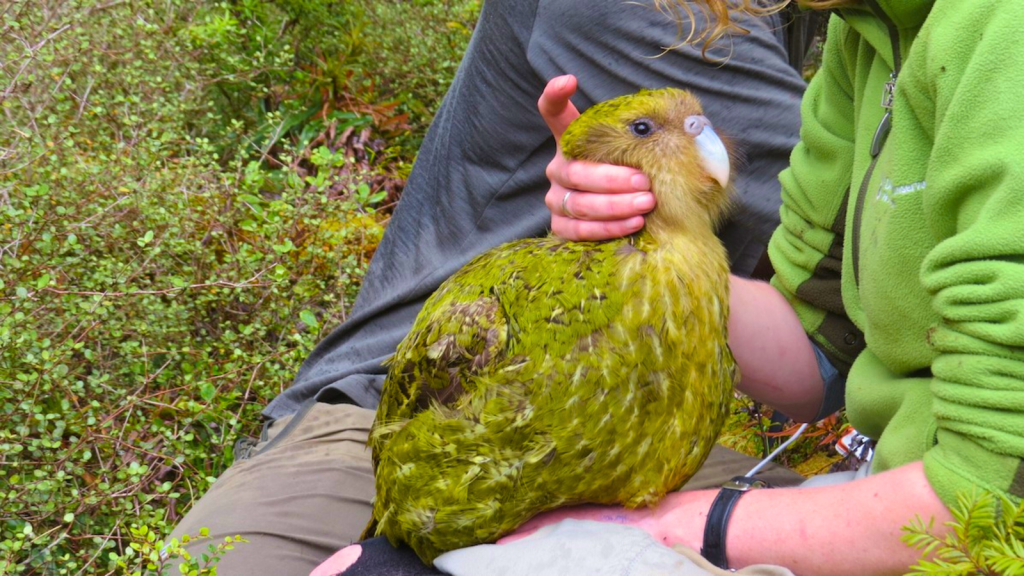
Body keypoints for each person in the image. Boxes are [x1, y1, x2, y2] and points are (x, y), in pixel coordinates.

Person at [313, 0, 1024, 574]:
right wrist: (654, 240)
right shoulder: (863, 30)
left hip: (948, 529)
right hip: (885, 494)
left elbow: (991, 497)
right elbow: (818, 351)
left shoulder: (1001, 36)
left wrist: (673, 527)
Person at [168, 0, 811, 573]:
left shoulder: (842, 24)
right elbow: (846, 227)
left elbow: (830, 327)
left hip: (630, 429)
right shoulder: (649, 10)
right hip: (409, 412)